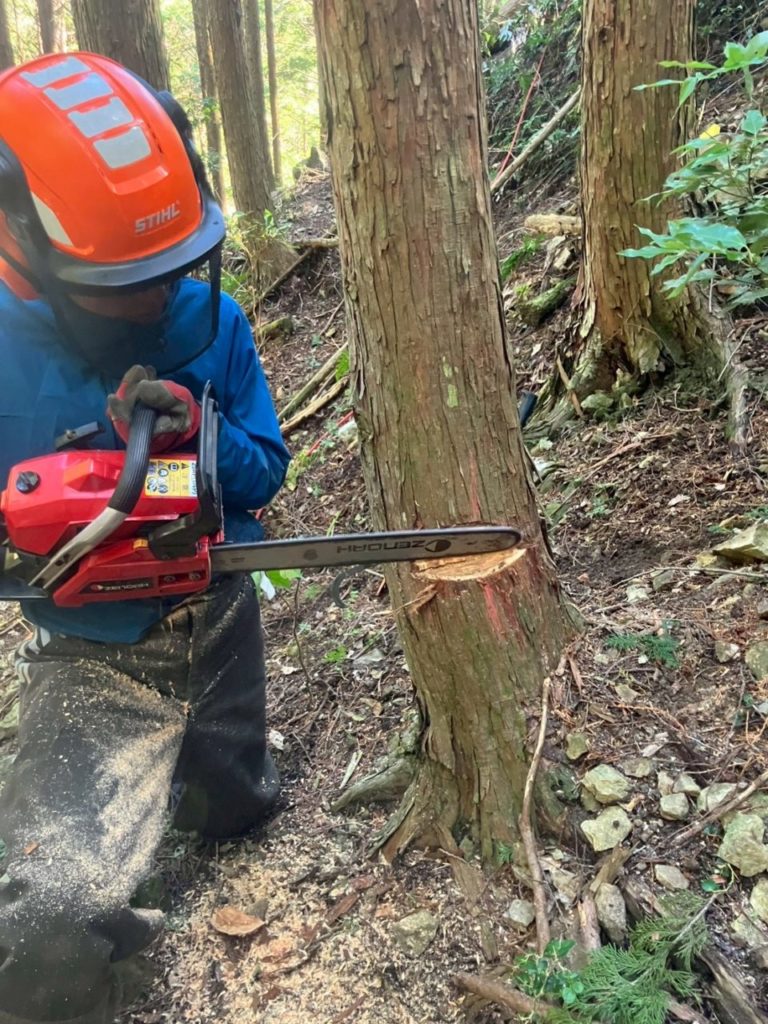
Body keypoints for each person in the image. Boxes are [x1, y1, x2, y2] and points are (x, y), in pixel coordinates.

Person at [0, 52, 290, 1024]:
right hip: (88, 649)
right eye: (122, 282)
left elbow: (265, 466)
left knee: (235, 801)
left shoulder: (214, 322)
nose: (153, 300)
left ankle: (217, 793)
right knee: (43, 912)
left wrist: (200, 450)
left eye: (167, 272)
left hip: (213, 605)